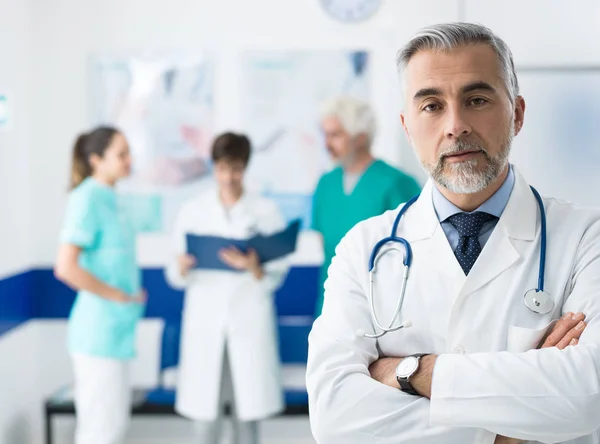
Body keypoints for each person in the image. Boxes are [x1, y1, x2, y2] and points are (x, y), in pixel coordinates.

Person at [306, 22, 600, 444]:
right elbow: (334, 416)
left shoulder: (587, 238)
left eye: (477, 99)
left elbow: (587, 395)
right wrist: (511, 425)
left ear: (516, 113)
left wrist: (409, 371)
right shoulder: (363, 248)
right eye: (431, 106)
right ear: (407, 127)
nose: (455, 125)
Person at [166, 132, 290, 444]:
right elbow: (174, 273)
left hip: (248, 319)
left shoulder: (265, 211)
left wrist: (254, 267)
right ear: (213, 167)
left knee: (246, 418)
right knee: (204, 421)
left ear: (245, 168)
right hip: (205, 320)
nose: (228, 177)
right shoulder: (193, 211)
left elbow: (278, 272)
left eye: (235, 169)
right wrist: (180, 267)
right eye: (222, 169)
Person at [54, 126, 146, 444]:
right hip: (98, 334)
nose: (128, 160)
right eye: (120, 154)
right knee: (100, 432)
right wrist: (118, 296)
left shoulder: (112, 199)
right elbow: (65, 267)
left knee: (115, 427)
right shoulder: (87, 198)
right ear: (96, 160)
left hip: (117, 333)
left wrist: (130, 296)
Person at [312, 96, 421, 317]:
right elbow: (325, 242)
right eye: (325, 134)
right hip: (331, 302)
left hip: (382, 306)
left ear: (360, 138)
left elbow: (416, 250)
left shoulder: (396, 183)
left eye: (335, 135)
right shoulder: (326, 184)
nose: (326, 144)